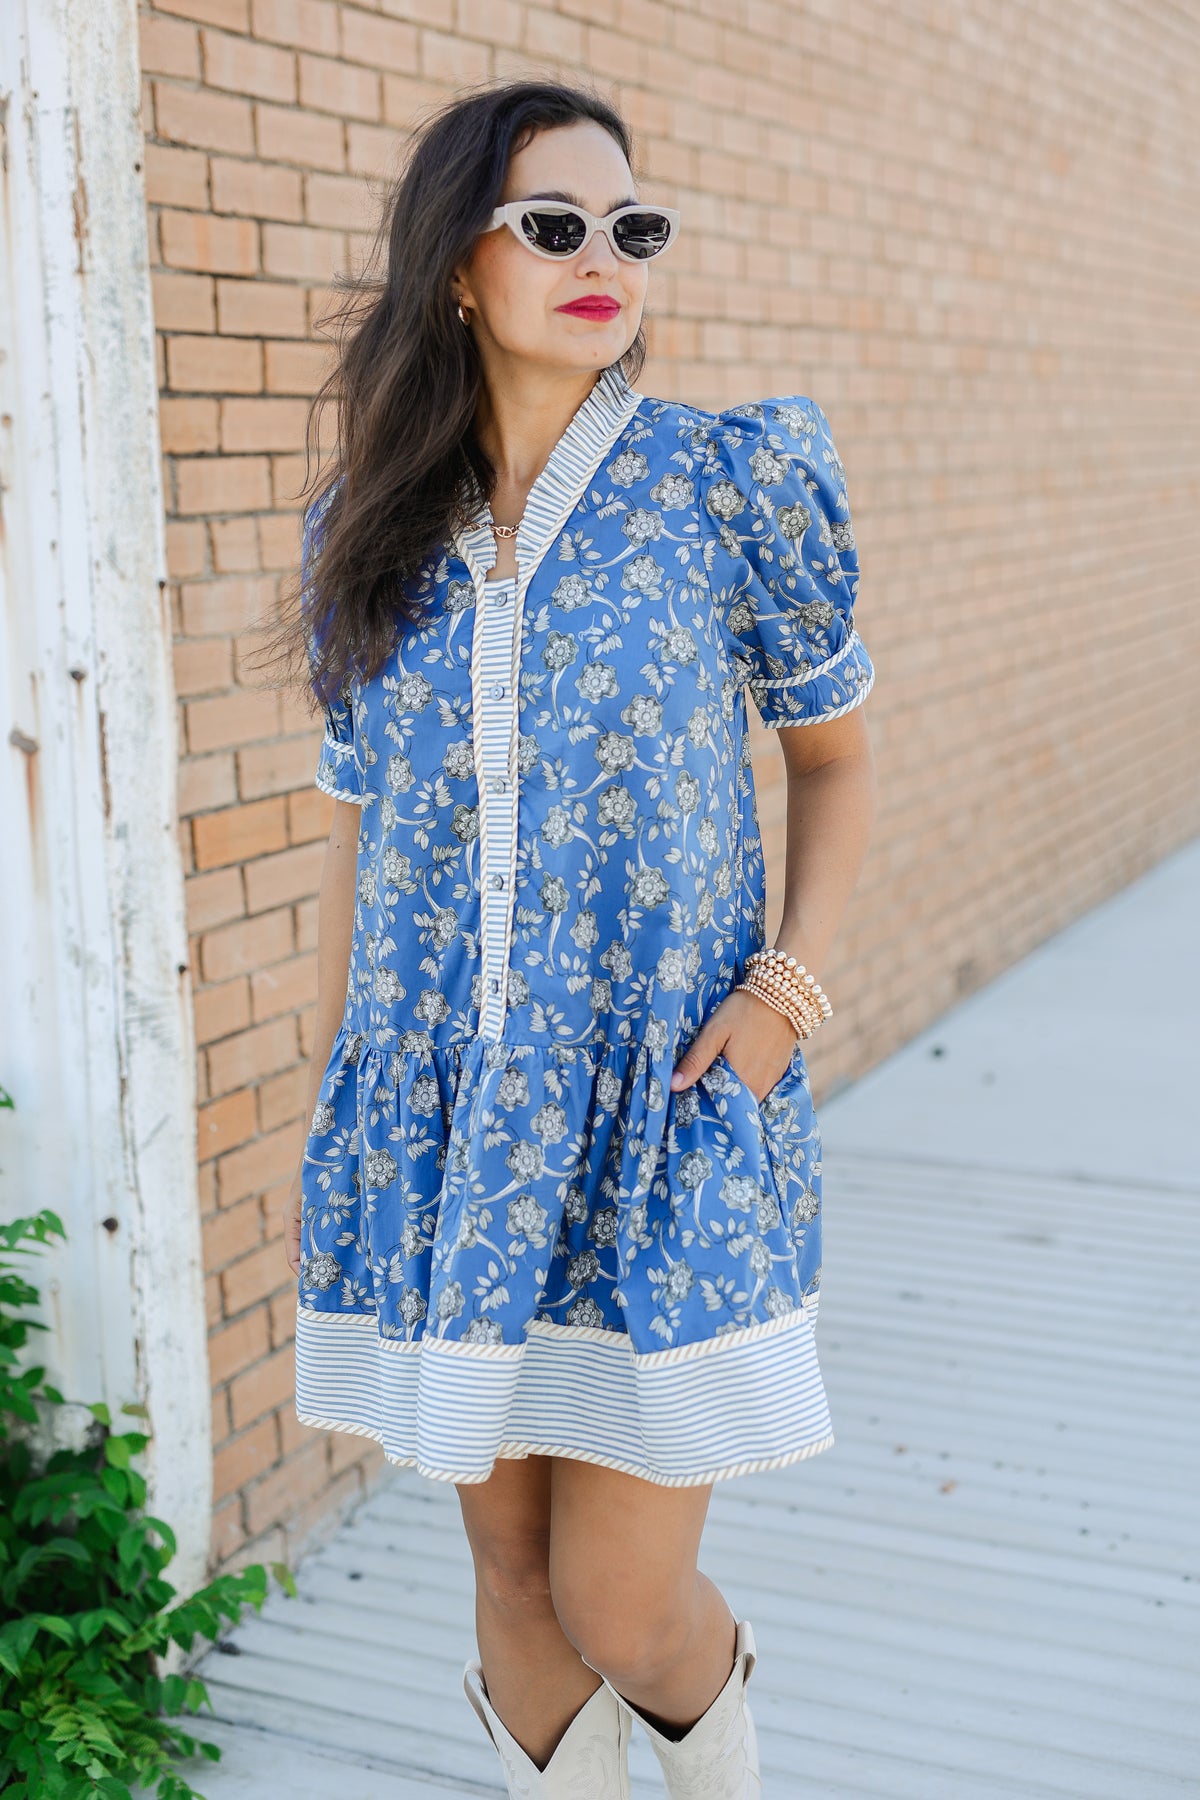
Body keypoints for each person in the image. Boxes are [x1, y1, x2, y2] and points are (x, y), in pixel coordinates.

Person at [277, 78, 875, 1800]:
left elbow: (833, 761)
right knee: (511, 1581)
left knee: (622, 1596)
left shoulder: (726, 484)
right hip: (455, 1138)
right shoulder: (366, 538)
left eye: (634, 228)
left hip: (664, 1121)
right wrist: (338, 1098)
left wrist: (782, 999)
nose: (603, 256)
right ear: (457, 265)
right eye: (555, 226)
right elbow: (364, 843)